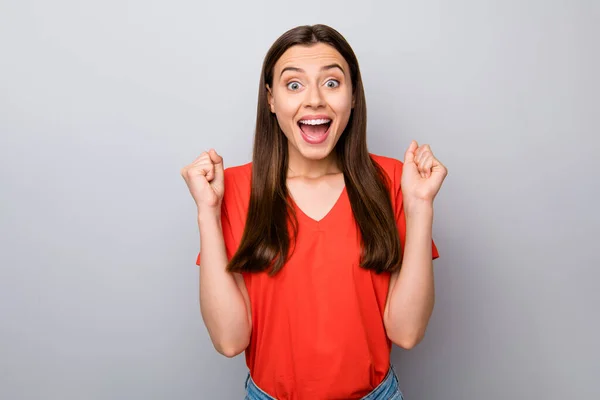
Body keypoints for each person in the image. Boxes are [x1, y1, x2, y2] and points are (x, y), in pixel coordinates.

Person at [181, 24, 447, 400]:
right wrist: (207, 213)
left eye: (332, 83)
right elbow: (229, 340)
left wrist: (420, 208)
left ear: (353, 96)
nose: (315, 100)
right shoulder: (234, 189)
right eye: (294, 85)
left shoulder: (394, 182)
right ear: (271, 100)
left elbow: (406, 332)